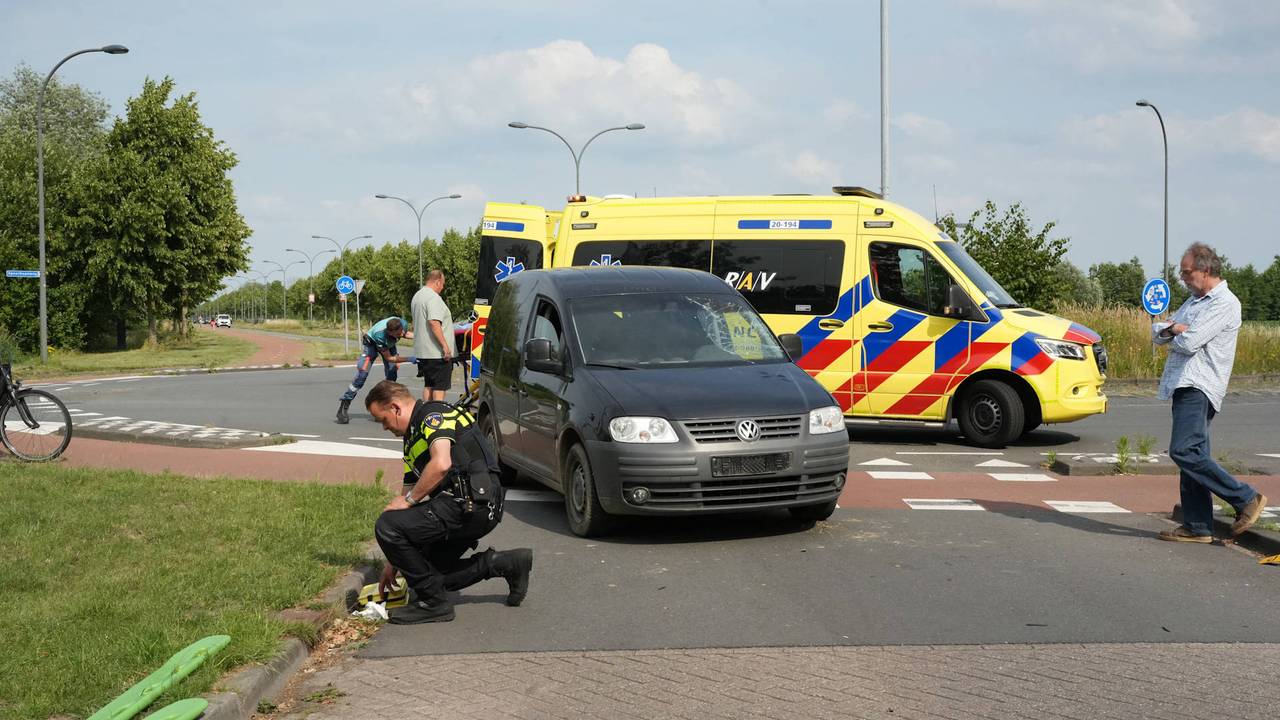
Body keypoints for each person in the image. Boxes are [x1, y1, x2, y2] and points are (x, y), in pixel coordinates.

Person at [364, 380, 532, 623]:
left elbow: (441, 463)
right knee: (425, 573)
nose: (384, 427)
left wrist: (409, 503)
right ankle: (504, 563)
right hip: (470, 506)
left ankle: (434, 605)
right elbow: (408, 489)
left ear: (395, 408)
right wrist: (394, 560)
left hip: (471, 504)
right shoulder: (411, 439)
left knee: (386, 525)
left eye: (383, 420)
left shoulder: (433, 415)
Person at [1153, 242, 1267, 543]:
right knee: (1195, 453)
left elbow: (1189, 342)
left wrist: (1175, 331)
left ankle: (1245, 498)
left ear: (1205, 270)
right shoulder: (1193, 302)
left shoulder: (1224, 303)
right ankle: (1198, 524)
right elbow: (1160, 333)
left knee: (1183, 451)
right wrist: (1174, 329)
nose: (1183, 278)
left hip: (1200, 384)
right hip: (1183, 383)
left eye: (1187, 272)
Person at [336, 316, 415, 424]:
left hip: (389, 343)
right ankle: (344, 404)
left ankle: (384, 407)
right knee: (362, 374)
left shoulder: (402, 324)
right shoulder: (380, 336)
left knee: (392, 374)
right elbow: (389, 358)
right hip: (372, 343)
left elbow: (406, 334)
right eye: (397, 335)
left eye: (401, 333)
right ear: (389, 332)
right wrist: (409, 358)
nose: (400, 336)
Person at [411, 269, 455, 401]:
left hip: (423, 352)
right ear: (437, 281)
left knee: (429, 385)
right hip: (436, 353)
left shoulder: (417, 296)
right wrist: (445, 347)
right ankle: (437, 415)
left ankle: (427, 414)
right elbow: (434, 322)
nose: (443, 287)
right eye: (443, 284)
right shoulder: (433, 298)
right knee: (439, 387)